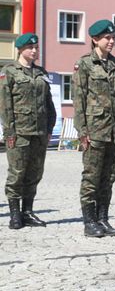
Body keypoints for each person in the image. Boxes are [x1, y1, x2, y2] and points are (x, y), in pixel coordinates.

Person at [72, 20, 115, 237]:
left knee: (109, 176)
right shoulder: (84, 64)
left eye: (113, 38)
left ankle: (103, 219)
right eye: (107, 38)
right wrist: (82, 132)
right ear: (95, 39)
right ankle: (89, 221)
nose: (111, 41)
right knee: (91, 176)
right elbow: (79, 100)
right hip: (95, 130)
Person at [0, 33, 56, 230]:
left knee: (34, 173)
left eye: (36, 47)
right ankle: (15, 214)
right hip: (20, 132)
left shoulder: (41, 72)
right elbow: (5, 105)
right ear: (20, 49)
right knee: (17, 173)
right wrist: (10, 133)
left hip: (40, 132)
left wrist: (50, 128)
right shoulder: (9, 72)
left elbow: (49, 103)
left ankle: (28, 212)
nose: (34, 51)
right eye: (30, 48)